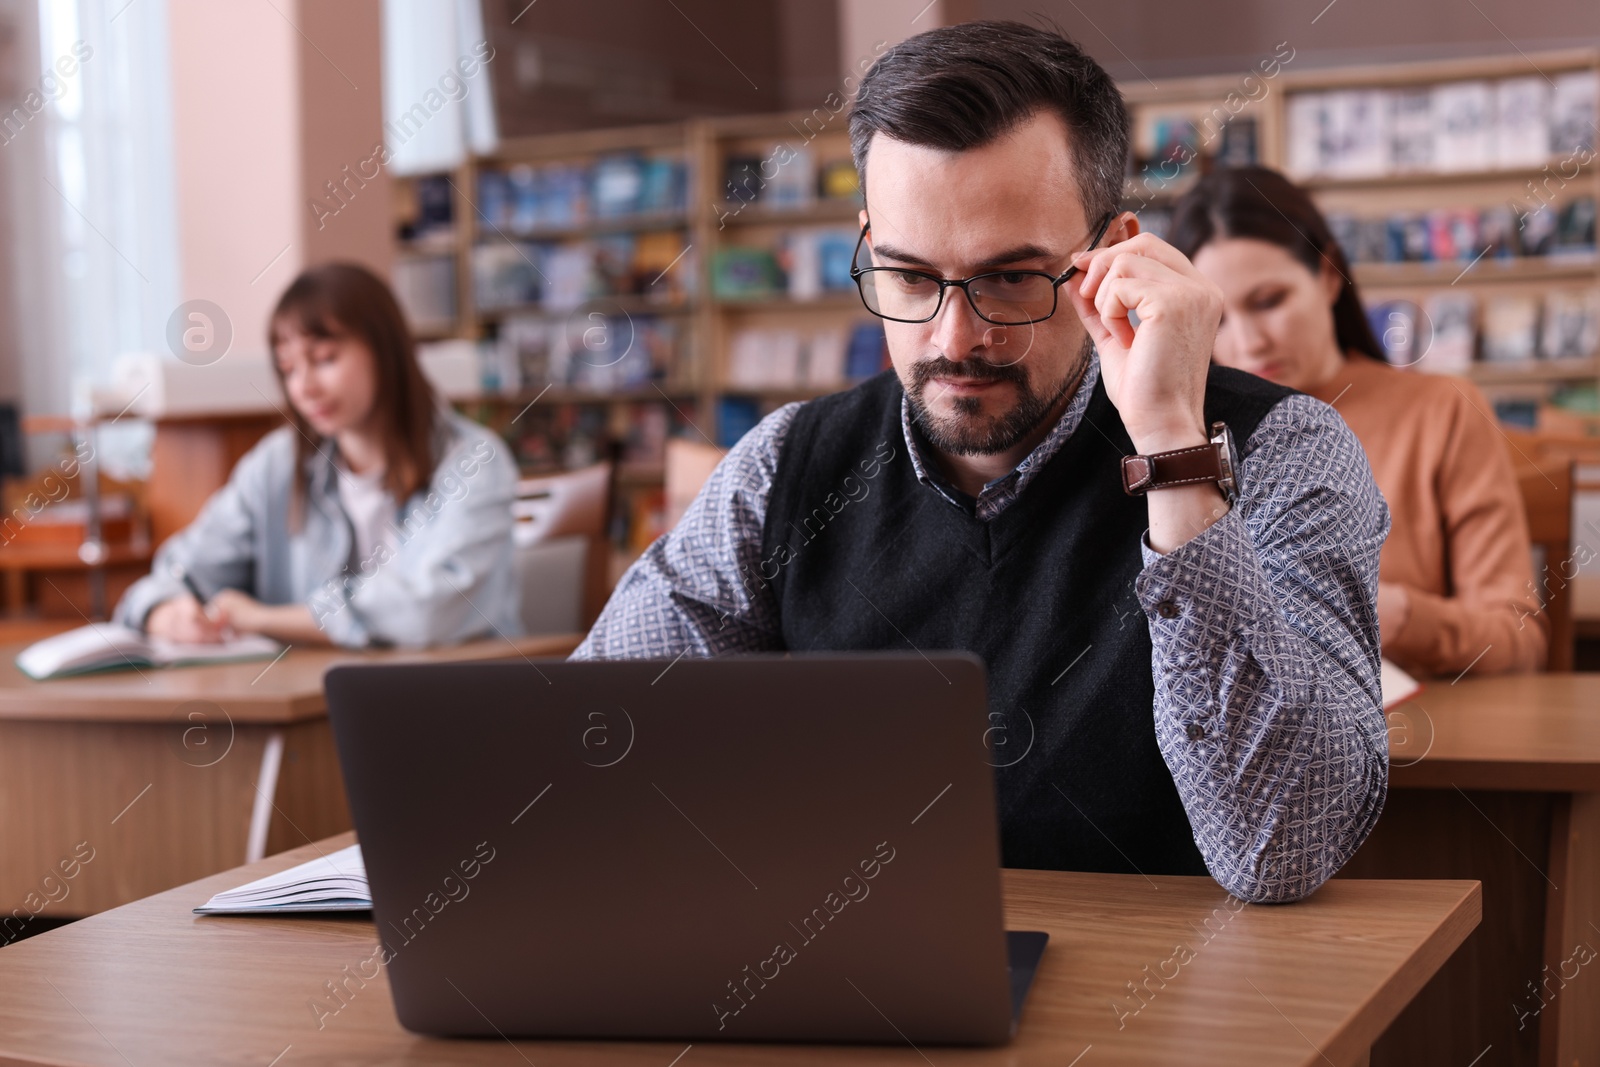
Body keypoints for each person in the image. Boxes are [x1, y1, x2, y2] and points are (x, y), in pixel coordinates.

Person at [575, 21, 1390, 904]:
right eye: (910, 277)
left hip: (1170, 1009)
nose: (954, 338)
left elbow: (1282, 851)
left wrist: (1172, 449)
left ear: (1113, 254)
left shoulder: (1284, 449)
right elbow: (581, 747)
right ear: (868, 244)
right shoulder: (784, 467)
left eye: (1011, 278)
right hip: (852, 998)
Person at [1169, 166, 1546, 676]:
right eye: (1218, 321)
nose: (1250, 342)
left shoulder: (1442, 412)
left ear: (1328, 275)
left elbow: (1517, 641)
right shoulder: (1177, 442)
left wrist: (1400, 616)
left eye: (1270, 301)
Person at [115, 262, 520, 649]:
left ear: (386, 350)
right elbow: (176, 573)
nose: (304, 387)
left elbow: (432, 611)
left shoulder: (474, 461)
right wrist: (163, 612)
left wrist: (263, 619)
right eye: (288, 368)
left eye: (325, 359)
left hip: (455, 703)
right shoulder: (276, 465)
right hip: (320, 707)